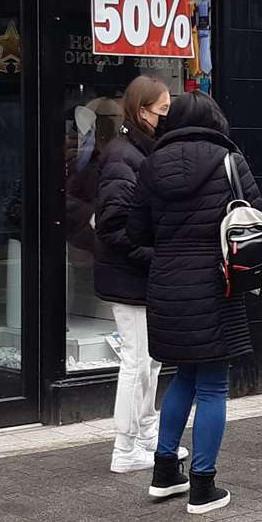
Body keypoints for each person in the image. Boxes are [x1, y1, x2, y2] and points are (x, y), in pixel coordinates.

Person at [128, 91, 262, 514]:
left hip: (167, 284)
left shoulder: (151, 164)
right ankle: (204, 486)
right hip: (216, 283)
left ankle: (165, 471)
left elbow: (136, 231)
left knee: (183, 376)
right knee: (212, 385)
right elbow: (254, 218)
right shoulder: (229, 161)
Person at [94, 76, 180, 474]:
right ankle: (125, 446)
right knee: (137, 362)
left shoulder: (135, 151)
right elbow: (114, 226)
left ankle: (145, 435)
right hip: (130, 275)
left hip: (139, 273)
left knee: (150, 361)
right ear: (142, 110)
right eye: (162, 111)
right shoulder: (123, 154)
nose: (166, 118)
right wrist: (156, 256)